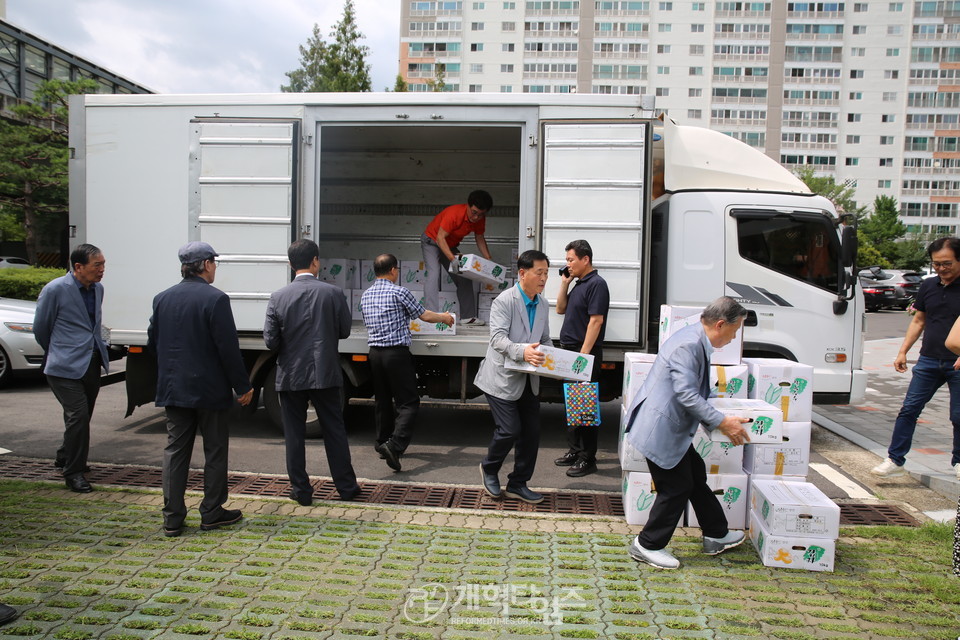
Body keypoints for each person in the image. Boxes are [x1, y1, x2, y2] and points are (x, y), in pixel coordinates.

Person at [623, 297, 751, 569]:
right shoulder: (690, 344)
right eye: (735, 330)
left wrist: (720, 409)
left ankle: (716, 533)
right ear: (720, 324)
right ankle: (647, 544)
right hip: (661, 430)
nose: (734, 337)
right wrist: (721, 422)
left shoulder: (695, 337)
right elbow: (686, 395)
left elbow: (691, 389)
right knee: (676, 487)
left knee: (694, 476)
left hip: (669, 427)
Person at [148, 241, 253, 537]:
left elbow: (153, 341)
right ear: (206, 264)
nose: (215, 268)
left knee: (175, 452)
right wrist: (242, 386)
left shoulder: (162, 298)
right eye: (215, 263)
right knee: (215, 450)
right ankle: (212, 512)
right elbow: (227, 348)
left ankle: (172, 518)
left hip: (174, 387)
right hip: (209, 389)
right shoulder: (216, 299)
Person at [263, 240, 362, 504]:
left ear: (290, 264)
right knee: (334, 431)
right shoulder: (333, 293)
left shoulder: (278, 297)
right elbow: (344, 331)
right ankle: (347, 488)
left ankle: (301, 491)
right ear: (315, 261)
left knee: (294, 434)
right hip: (325, 372)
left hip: (291, 373)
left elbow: (270, 342)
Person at [872, 237, 960, 481]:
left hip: (958, 362)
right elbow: (919, 320)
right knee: (909, 409)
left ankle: (959, 462)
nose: (942, 268)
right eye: (937, 264)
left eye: (947, 263)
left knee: (958, 415)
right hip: (929, 360)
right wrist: (903, 351)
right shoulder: (929, 285)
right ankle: (895, 460)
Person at [359, 254, 455, 472]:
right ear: (393, 270)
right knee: (408, 403)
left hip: (374, 353)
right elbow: (424, 316)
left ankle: (382, 442)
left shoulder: (365, 295)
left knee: (382, 400)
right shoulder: (399, 292)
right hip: (396, 354)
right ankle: (395, 445)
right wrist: (445, 318)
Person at [474, 250, 552, 504]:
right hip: (502, 378)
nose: (543, 278)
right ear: (522, 273)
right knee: (509, 430)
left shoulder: (542, 303)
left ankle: (519, 483)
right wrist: (524, 352)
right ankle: (489, 467)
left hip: (530, 378)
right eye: (539, 273)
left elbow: (545, 338)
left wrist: (553, 358)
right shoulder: (504, 301)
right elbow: (497, 339)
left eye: (546, 273)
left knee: (531, 434)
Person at [34, 244, 109, 494]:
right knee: (77, 415)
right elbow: (41, 328)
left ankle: (65, 455)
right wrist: (59, 351)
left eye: (103, 264)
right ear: (78, 267)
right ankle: (74, 472)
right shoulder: (55, 289)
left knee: (82, 416)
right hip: (63, 365)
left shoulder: (98, 289)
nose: (102, 270)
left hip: (91, 361)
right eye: (97, 265)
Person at [554, 239, 610, 478]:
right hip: (571, 351)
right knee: (572, 405)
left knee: (584, 406)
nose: (568, 264)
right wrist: (564, 283)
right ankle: (575, 450)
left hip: (582, 353)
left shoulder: (597, 284)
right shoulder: (578, 283)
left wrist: (583, 356)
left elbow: (596, 320)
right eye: (567, 260)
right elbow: (559, 309)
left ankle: (588, 458)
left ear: (585, 259)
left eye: (571, 260)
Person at [421, 189, 494, 326]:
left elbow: (479, 238)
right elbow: (440, 238)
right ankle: (430, 316)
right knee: (434, 273)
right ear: (468, 205)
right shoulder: (454, 214)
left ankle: (468, 317)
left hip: (449, 244)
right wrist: (453, 259)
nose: (476, 217)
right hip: (432, 241)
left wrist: (488, 260)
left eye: (481, 214)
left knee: (464, 277)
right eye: (474, 212)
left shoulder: (479, 219)